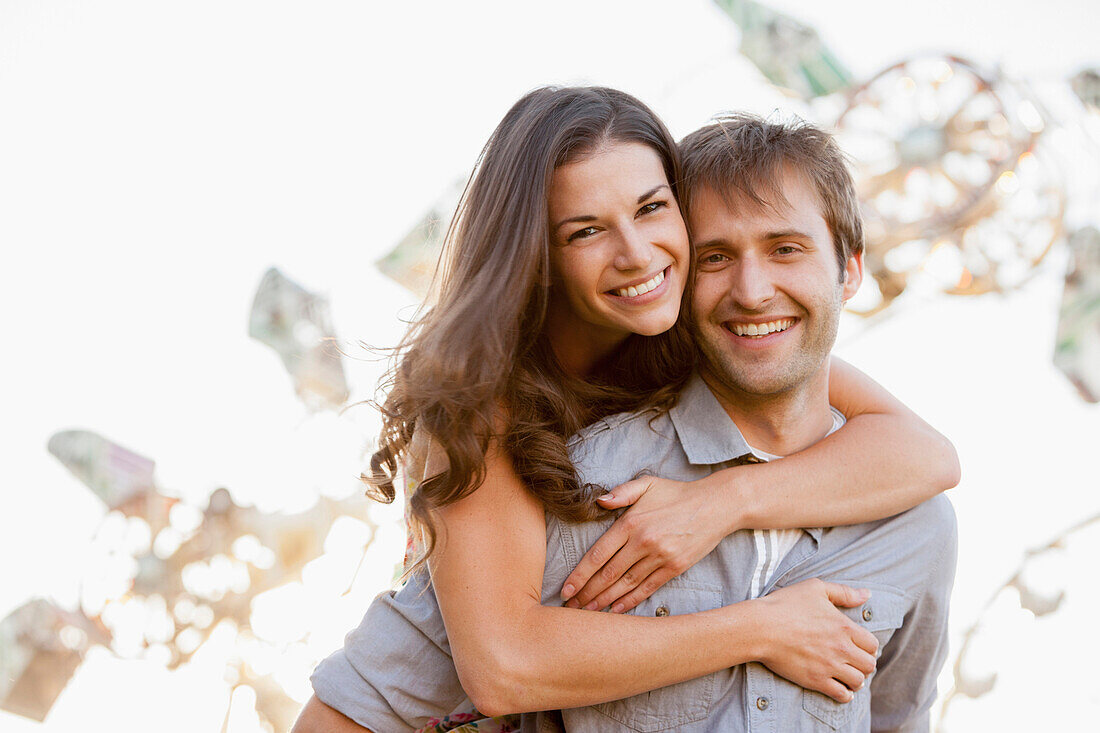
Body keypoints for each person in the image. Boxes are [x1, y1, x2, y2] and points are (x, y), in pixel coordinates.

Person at [293, 88, 959, 733]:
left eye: (651, 209)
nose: (638, 254)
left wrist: (725, 499)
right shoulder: (493, 411)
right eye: (586, 230)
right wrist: (764, 626)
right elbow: (500, 664)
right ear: (541, 256)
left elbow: (929, 456)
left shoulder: (701, 333)